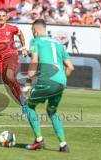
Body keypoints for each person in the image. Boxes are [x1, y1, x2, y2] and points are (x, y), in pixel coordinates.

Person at [22, 19, 74, 151]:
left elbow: (34, 60)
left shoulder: (35, 41)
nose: (33, 34)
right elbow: (70, 67)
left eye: (32, 31)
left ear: (35, 30)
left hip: (47, 80)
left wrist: (28, 82)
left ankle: (39, 140)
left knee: (28, 105)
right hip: (61, 81)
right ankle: (63, 144)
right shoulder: (58, 43)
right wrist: (60, 80)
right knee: (52, 111)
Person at [0, 8, 27, 106]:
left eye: (3, 16)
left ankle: (22, 95)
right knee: (9, 84)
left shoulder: (12, 28)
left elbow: (20, 34)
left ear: (6, 17)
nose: (1, 18)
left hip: (11, 55)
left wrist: (24, 48)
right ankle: (24, 105)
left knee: (10, 76)